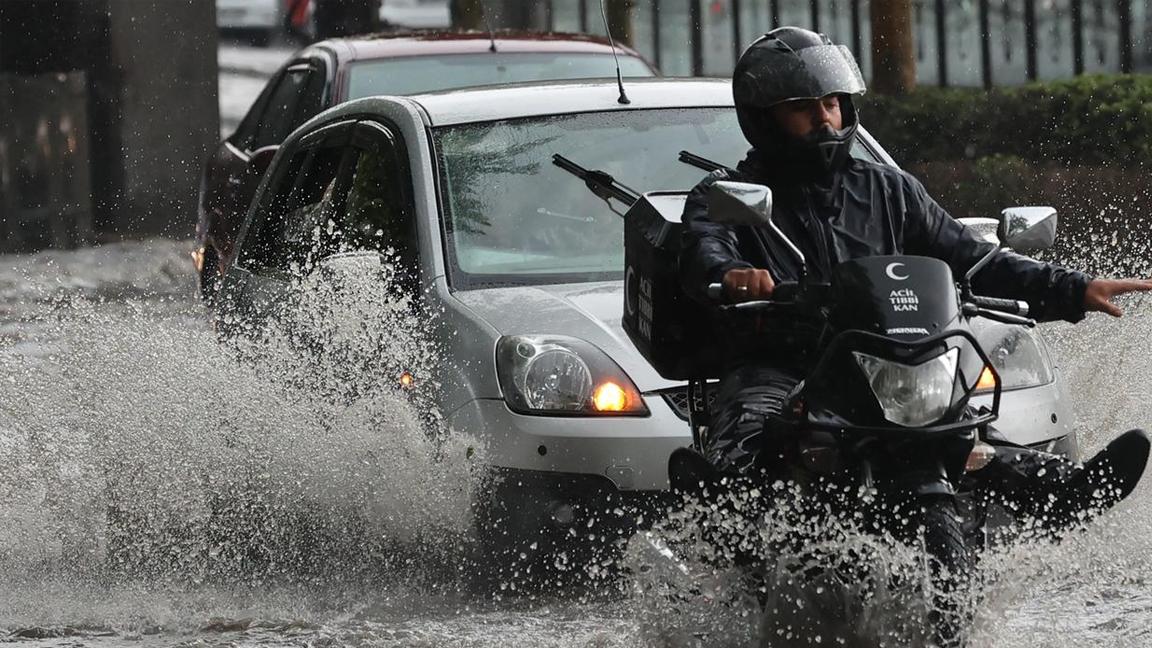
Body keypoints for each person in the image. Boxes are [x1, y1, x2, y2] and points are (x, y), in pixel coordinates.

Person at [679, 26, 1151, 530]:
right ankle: (723, 528)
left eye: (833, 102)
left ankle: (1063, 491)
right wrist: (732, 275)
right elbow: (706, 248)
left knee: (962, 430)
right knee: (750, 440)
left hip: (883, 357)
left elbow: (970, 257)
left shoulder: (889, 189)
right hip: (779, 361)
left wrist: (1074, 288)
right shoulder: (729, 195)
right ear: (764, 119)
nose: (824, 117)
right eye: (803, 107)